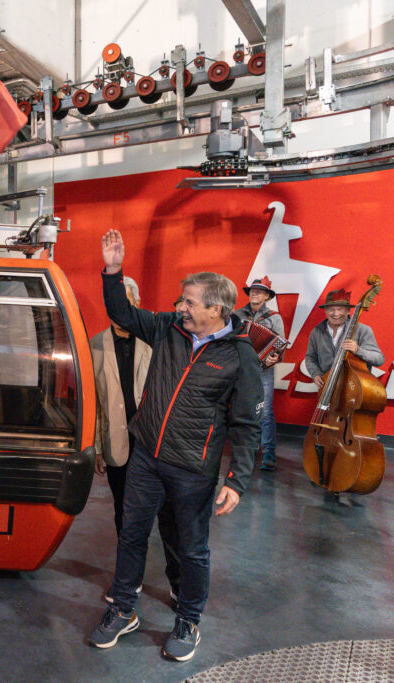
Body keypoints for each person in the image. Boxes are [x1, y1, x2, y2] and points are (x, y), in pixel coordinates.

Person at [88, 230, 262, 663]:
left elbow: (246, 424)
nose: (180, 307)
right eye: (181, 301)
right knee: (131, 535)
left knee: (191, 549)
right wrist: (113, 270)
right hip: (146, 457)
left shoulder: (240, 357)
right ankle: (122, 609)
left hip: (193, 470)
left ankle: (188, 619)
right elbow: (121, 313)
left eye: (189, 302)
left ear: (215, 309)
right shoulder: (167, 329)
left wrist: (237, 480)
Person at [90, 276, 180, 604]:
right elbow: (95, 403)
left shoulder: (159, 340)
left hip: (157, 445)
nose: (119, 311)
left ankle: (179, 583)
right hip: (117, 445)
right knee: (125, 516)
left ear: (137, 305)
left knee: (169, 517)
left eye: (126, 303)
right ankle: (130, 579)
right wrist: (97, 448)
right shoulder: (95, 345)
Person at [234, 277, 284, 471]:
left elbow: (280, 345)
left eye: (260, 291)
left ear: (266, 297)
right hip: (241, 369)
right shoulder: (237, 315)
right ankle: (247, 451)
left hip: (264, 370)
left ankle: (269, 454)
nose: (255, 293)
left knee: (265, 412)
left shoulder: (274, 317)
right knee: (243, 410)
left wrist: (275, 358)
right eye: (253, 290)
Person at [304, 288, 384, 390]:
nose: (335, 313)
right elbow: (310, 358)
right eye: (331, 309)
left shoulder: (362, 330)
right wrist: (315, 373)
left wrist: (358, 350)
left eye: (340, 309)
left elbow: (379, 359)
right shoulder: (316, 332)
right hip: (327, 389)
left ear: (348, 311)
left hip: (355, 390)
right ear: (325, 310)